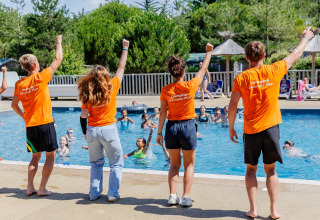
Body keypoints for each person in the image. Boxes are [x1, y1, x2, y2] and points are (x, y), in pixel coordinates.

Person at [228, 28, 314, 219]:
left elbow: (232, 105)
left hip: (251, 130)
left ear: (246, 57)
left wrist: (231, 127)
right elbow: (296, 53)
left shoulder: (241, 78)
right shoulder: (274, 70)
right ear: (264, 56)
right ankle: (274, 211)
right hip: (271, 128)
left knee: (251, 169)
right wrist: (306, 38)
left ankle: (253, 210)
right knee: (271, 169)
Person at [156, 43, 213, 207]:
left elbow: (162, 113)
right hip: (188, 127)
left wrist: (159, 133)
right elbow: (203, 70)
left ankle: (172, 196)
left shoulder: (166, 90)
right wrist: (208, 52)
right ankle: (186, 197)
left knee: (174, 164)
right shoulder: (190, 85)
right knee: (189, 164)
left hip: (172, 128)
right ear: (183, 72)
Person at [11, 35, 63, 196]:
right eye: (38, 63)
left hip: (30, 126)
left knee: (35, 158)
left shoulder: (20, 84)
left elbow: (14, 105)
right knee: (50, 157)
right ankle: (42, 188)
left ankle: (29, 187)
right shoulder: (41, 78)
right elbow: (58, 58)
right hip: (45, 123)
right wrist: (58, 42)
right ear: (35, 65)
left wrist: (24, 117)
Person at [78, 39, 129, 202]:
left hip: (92, 130)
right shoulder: (112, 87)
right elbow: (121, 67)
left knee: (96, 163)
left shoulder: (88, 94)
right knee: (116, 163)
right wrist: (125, 49)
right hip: (108, 129)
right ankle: (113, 193)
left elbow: (83, 116)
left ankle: (94, 193)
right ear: (106, 76)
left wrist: (85, 132)